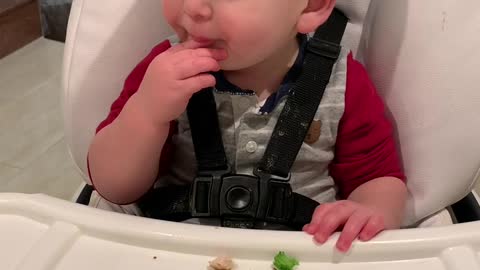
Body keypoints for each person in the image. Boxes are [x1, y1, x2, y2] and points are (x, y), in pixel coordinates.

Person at [87, 0, 407, 253]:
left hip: (304, 250)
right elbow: (115, 187)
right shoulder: (160, 72)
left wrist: (369, 211)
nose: (193, 7)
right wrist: (146, 114)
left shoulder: (343, 83)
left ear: (309, 6)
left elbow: (378, 178)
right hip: (174, 245)